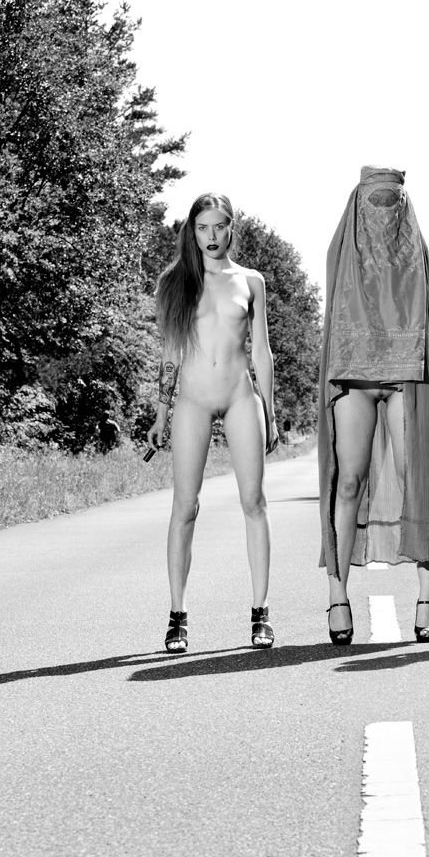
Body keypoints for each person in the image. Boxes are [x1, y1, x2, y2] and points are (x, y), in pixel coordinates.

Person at [318, 166, 429, 645]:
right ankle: (337, 595)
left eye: (392, 203)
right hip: (352, 374)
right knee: (349, 482)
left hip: (405, 374)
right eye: (374, 203)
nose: (383, 213)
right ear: (357, 207)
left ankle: (428, 598)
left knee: (416, 480)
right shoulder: (340, 252)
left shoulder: (416, 253)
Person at [147, 193, 278, 653]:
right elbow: (170, 351)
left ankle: (261, 613)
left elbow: (261, 351)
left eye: (220, 226)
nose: (212, 235)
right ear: (192, 230)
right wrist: (161, 412)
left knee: (254, 502)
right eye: (203, 227)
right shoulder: (176, 281)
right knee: (185, 506)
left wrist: (271, 412)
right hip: (193, 401)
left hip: (241, 397)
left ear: (231, 228)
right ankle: (177, 616)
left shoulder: (252, 281)